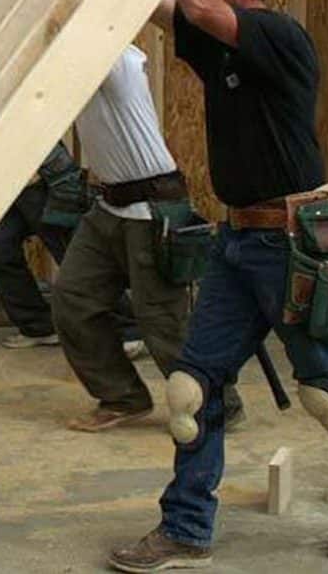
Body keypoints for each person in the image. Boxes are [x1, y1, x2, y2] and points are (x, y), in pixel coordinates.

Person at [109, 0, 328, 571]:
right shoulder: (221, 50)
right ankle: (185, 529)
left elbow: (200, 8)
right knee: (192, 388)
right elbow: (175, 10)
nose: (188, 5)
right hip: (238, 241)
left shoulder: (278, 34)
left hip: (292, 243)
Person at [51, 42, 236, 432]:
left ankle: (215, 402)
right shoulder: (68, 64)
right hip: (109, 205)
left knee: (162, 320)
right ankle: (122, 397)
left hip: (151, 208)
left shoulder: (115, 57)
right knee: (72, 298)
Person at [0, 145, 143, 355]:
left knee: (73, 256)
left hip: (44, 180)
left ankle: (128, 329)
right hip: (8, 182)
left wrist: (35, 167)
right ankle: (38, 326)